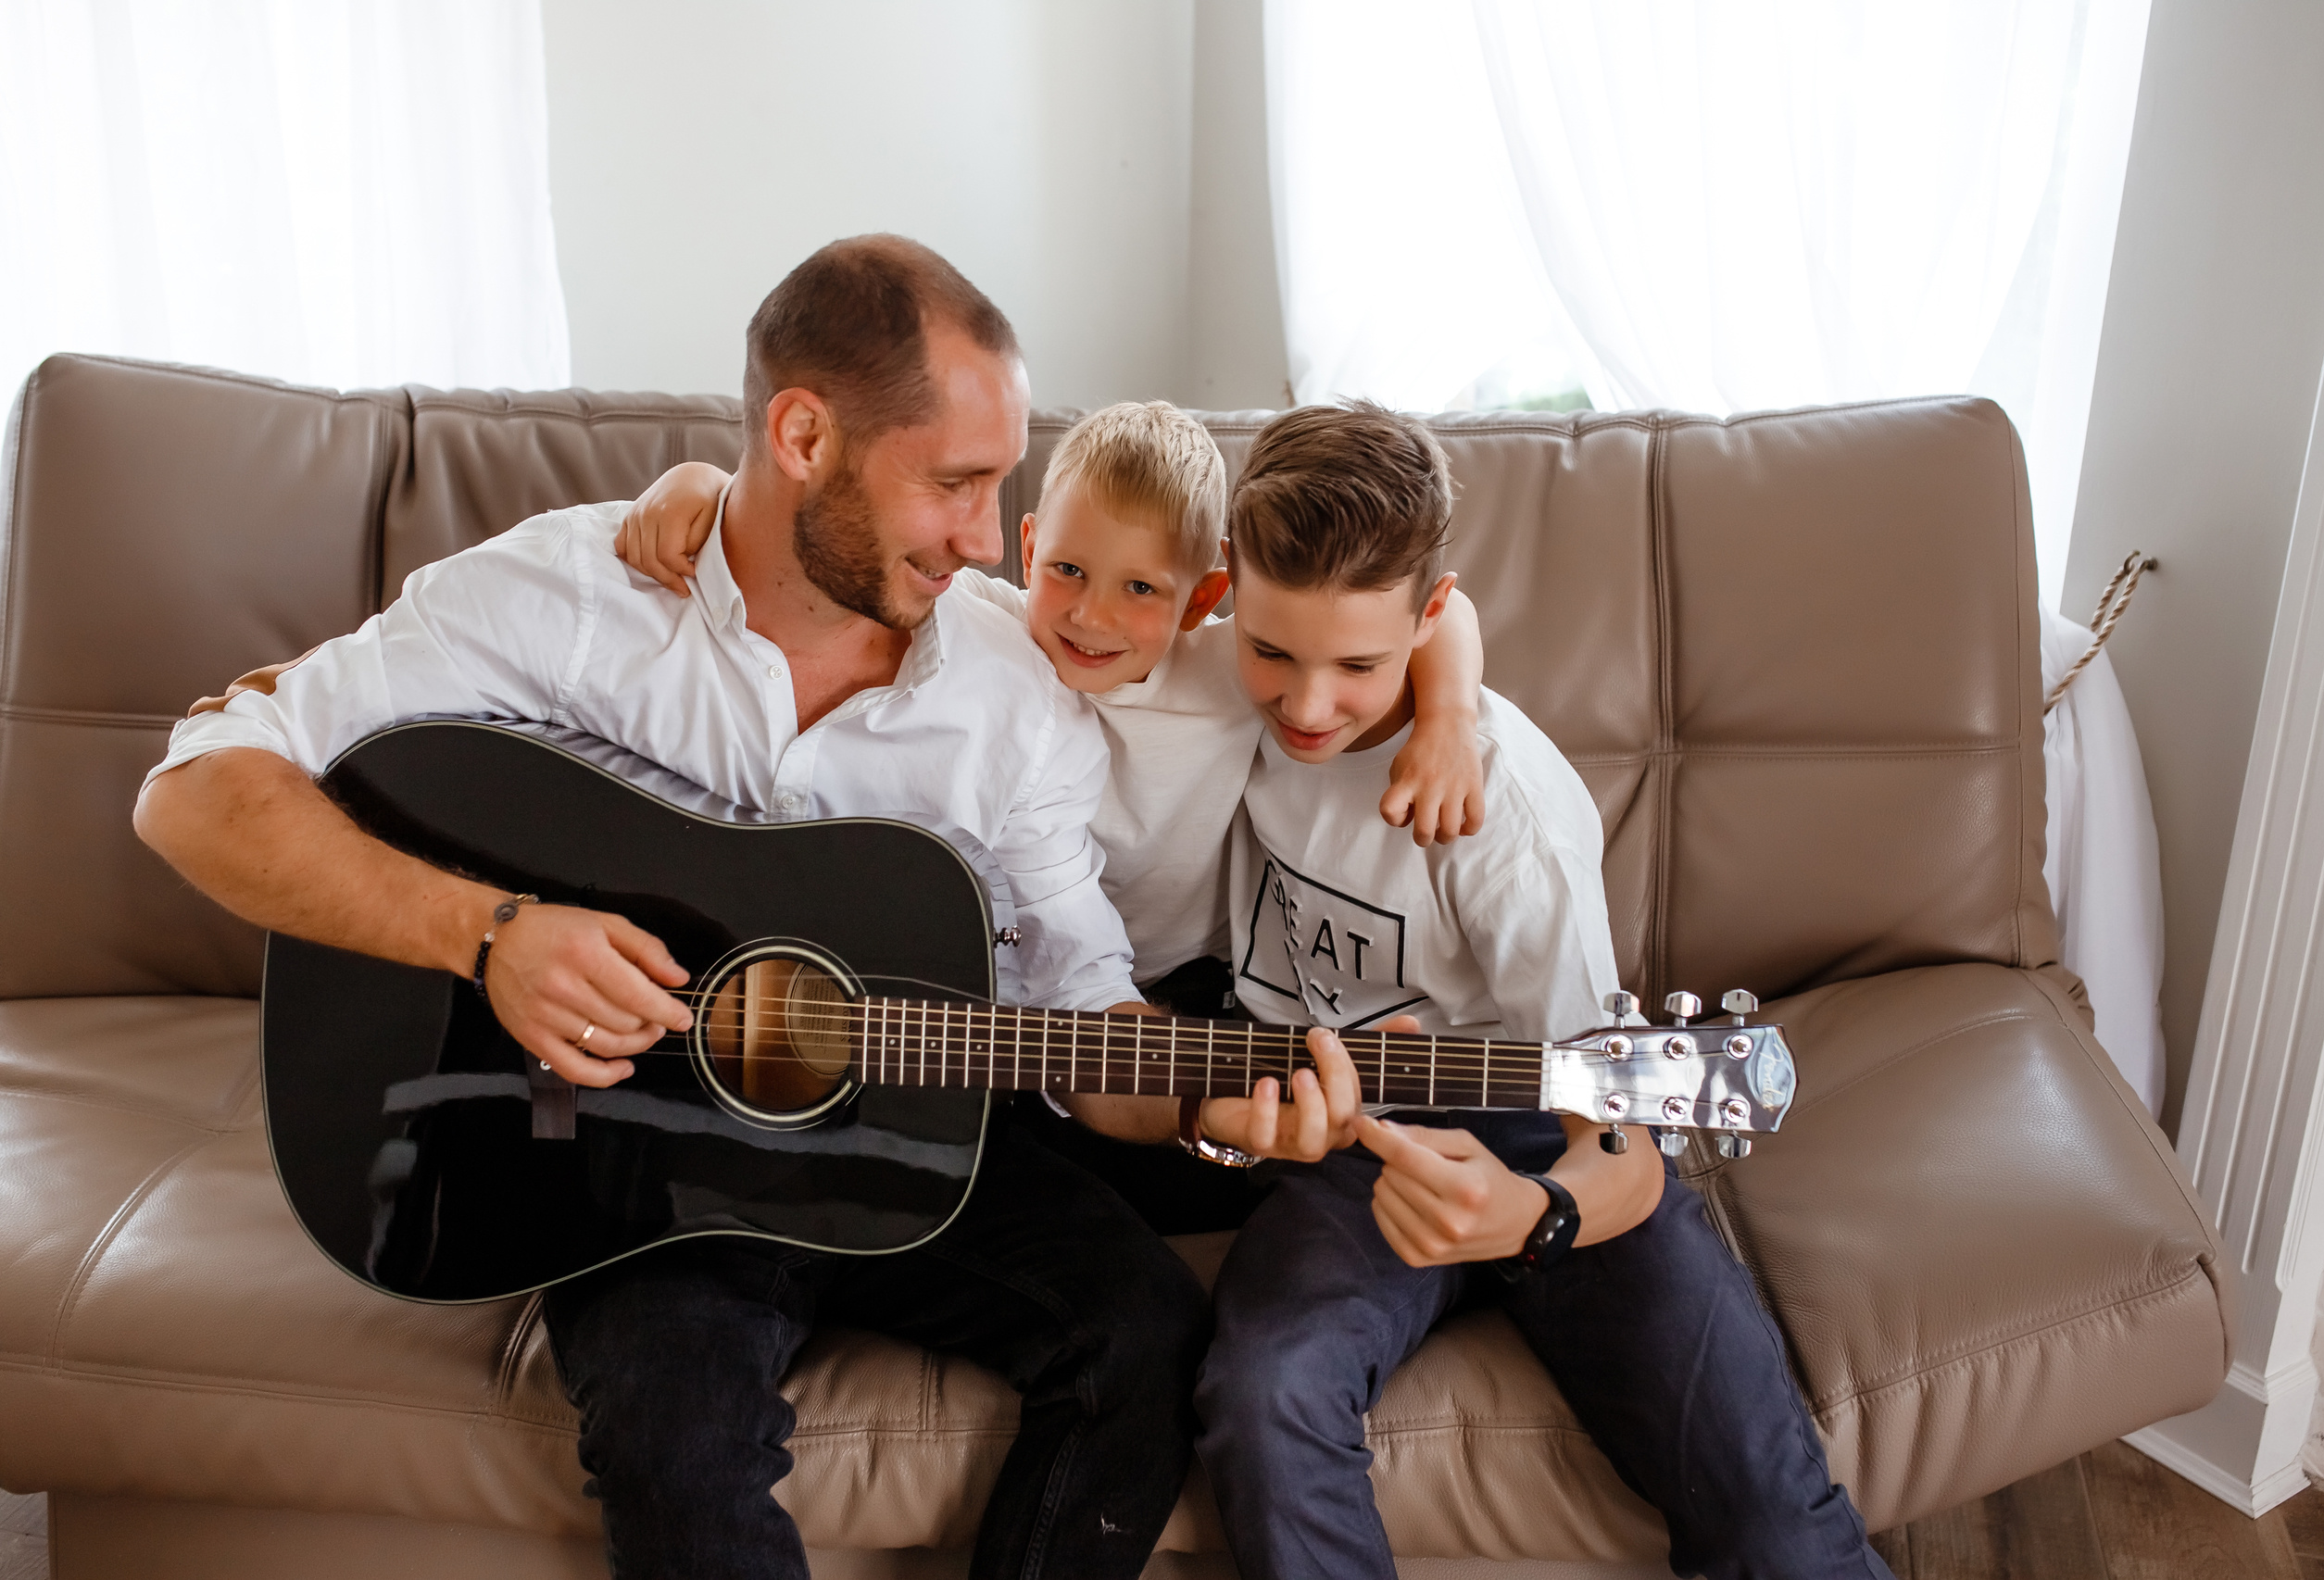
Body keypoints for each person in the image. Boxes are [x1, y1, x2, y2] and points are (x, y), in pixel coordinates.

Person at [134, 235, 1213, 1580]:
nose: (988, 541)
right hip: (622, 1157)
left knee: (1152, 1336)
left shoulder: (1017, 695)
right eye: (953, 484)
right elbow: (195, 788)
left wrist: (1207, 1105)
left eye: (1000, 486)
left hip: (910, 1131)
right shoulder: (574, 598)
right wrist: (486, 936)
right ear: (803, 433)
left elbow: (1081, 1011)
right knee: (675, 1438)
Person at [1185, 401, 1898, 1580]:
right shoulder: (1209, 677)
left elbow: (1620, 1146)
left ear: (1422, 618)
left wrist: (1533, 1215)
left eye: (1359, 665)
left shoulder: (1500, 818)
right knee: (1263, 1394)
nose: (1307, 706)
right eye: (1272, 652)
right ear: (1227, 596)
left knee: (1772, 1519)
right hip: (1351, 1142)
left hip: (1541, 1131)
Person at [613, 400, 1492, 1218]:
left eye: (1141, 590)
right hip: (1017, 992)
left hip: (1181, 987)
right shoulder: (981, 625)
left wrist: (1448, 718)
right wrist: (705, 487)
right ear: (1027, 550)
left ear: (1201, 601)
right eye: (1068, 569)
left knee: (1229, 1181)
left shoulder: (1244, 669)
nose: (1092, 615)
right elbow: (822, 543)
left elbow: (1420, 613)